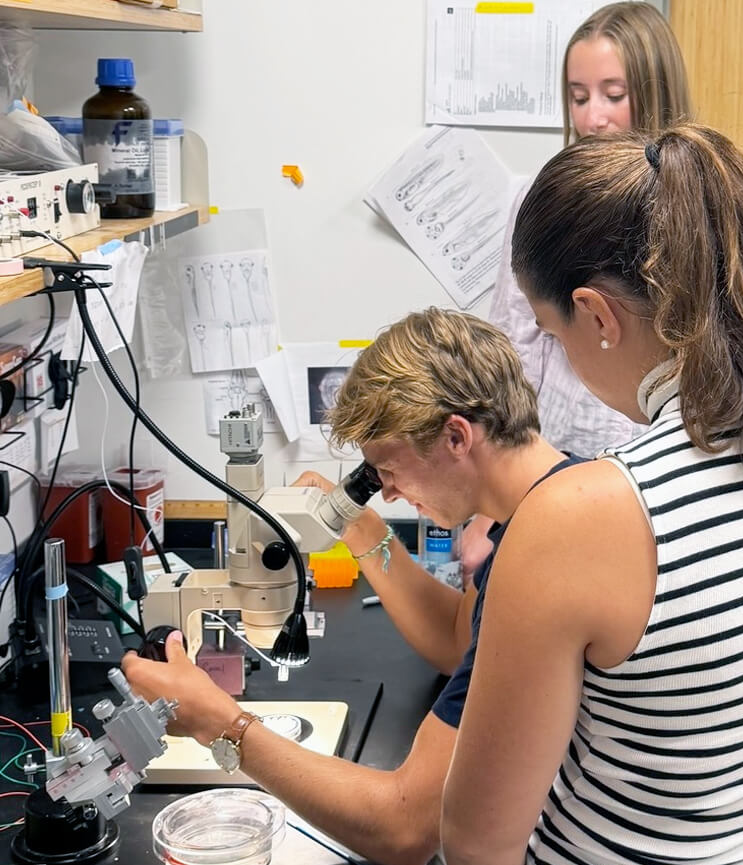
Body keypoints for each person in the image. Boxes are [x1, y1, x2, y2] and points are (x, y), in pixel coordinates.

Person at [438, 123, 743, 865]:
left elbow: (477, 842)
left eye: (550, 331)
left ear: (598, 315)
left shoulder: (584, 517)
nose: (557, 360)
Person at [121, 308, 582, 865]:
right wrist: (360, 526)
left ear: (456, 436)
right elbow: (462, 640)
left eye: (387, 470)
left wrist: (222, 724)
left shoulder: (543, 554)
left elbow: (404, 829)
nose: (385, 492)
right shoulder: (552, 501)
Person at [461, 1, 694, 578]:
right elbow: (508, 355)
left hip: (669, 489)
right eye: (579, 95)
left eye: (614, 95)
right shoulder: (540, 200)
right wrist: (488, 498)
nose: (593, 117)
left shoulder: (711, 204)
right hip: (552, 475)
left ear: (656, 89)